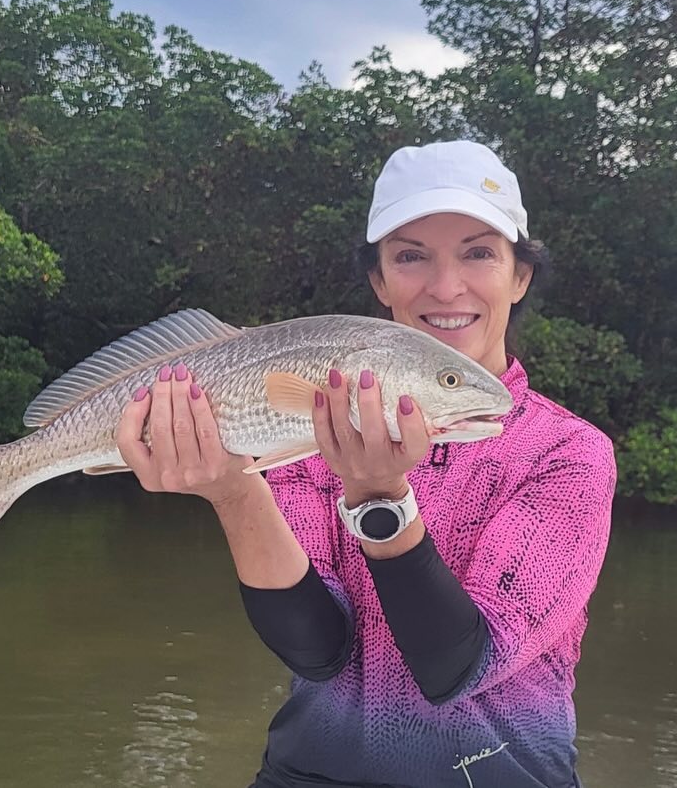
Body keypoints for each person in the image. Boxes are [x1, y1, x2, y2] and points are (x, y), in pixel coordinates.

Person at [116, 140, 616, 788]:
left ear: (518, 275)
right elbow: (316, 650)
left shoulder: (566, 451)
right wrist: (234, 489)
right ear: (378, 280)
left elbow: (455, 666)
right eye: (410, 256)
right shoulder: (306, 424)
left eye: (478, 252)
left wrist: (378, 495)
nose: (445, 286)